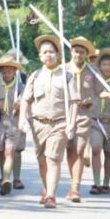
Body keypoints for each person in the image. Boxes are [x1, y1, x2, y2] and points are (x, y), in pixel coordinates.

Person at [20, 34, 77, 209]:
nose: (48, 55)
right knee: (42, 160)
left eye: (51, 52)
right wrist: (22, 118)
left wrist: (71, 123)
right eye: (45, 52)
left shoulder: (67, 76)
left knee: (53, 159)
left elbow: (74, 102)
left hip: (59, 123)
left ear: (58, 54)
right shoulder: (35, 75)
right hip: (38, 124)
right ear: (40, 56)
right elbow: (26, 100)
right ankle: (46, 189)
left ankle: (51, 196)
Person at [65, 37, 102, 202]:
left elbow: (100, 91)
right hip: (66, 114)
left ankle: (75, 188)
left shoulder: (92, 71)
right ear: (71, 51)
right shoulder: (63, 70)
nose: (78, 54)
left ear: (87, 54)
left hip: (84, 114)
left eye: (82, 52)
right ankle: (72, 180)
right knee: (69, 150)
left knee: (79, 150)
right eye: (76, 51)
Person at [0, 53, 26, 195]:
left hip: (14, 121)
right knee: (2, 151)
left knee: (12, 151)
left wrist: (21, 105)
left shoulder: (20, 85)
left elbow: (27, 101)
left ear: (15, 71)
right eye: (4, 72)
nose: (7, 74)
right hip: (0, 121)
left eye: (9, 71)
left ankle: (13, 178)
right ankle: (4, 177)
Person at [90, 49, 110, 193]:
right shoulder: (94, 79)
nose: (107, 67)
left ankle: (106, 184)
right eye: (104, 64)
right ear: (99, 66)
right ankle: (96, 183)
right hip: (96, 121)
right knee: (95, 148)